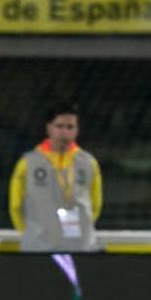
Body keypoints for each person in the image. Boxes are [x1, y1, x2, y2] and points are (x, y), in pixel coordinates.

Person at [8, 103, 103, 252]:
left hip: (80, 247)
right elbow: (15, 206)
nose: (64, 132)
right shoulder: (28, 163)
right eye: (59, 126)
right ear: (48, 128)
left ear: (77, 130)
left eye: (70, 127)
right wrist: (32, 232)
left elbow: (95, 204)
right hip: (38, 247)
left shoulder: (88, 163)